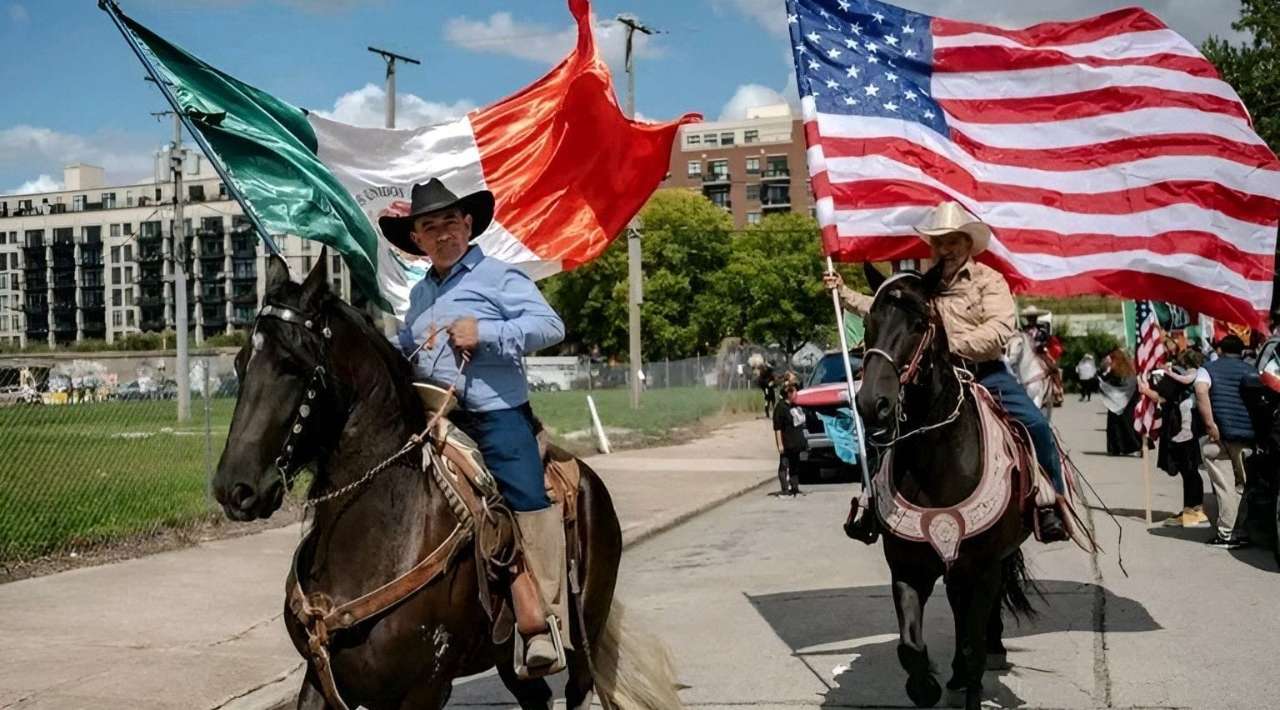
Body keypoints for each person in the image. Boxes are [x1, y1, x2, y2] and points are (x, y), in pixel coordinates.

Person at [383, 178, 568, 671]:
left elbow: (551, 326)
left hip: (496, 414)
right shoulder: (420, 293)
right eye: (429, 227)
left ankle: (545, 622)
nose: (441, 233)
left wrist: (485, 333)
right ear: (417, 240)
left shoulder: (499, 276)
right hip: (434, 416)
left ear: (467, 225)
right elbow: (408, 346)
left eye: (449, 222)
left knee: (526, 497)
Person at [824, 200, 1068, 542]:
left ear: (968, 244)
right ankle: (871, 502)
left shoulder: (989, 281)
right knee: (878, 423)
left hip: (985, 372)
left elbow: (999, 330)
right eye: (939, 241)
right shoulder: (925, 285)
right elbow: (889, 310)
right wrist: (842, 292)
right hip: (933, 378)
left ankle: (1049, 503)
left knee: (1036, 424)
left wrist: (946, 344)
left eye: (953, 240)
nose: (945, 248)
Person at [1194, 335, 1256, 549]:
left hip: (1218, 437)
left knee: (1224, 486)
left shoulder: (1207, 369)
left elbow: (1201, 390)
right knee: (1242, 486)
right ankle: (1241, 530)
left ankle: (1226, 534)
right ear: (1242, 351)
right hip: (1247, 437)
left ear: (1219, 349)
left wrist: (1210, 424)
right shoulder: (1251, 369)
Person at [1137, 350, 1207, 527]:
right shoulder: (1200, 375)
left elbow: (1162, 397)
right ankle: (1192, 509)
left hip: (1180, 430)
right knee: (1190, 471)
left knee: (1188, 470)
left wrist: (1145, 390)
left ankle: (1193, 511)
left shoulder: (1178, 377)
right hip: (1192, 428)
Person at [1099, 347, 1142, 456]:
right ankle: (1134, 446)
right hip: (1128, 400)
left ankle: (1117, 448)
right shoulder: (1129, 369)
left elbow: (1109, 382)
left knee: (1118, 426)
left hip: (1118, 401)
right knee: (1127, 425)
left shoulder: (1116, 370)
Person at [773, 383, 806, 496]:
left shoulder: (795, 406)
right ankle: (785, 488)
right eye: (795, 392)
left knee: (795, 466)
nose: (797, 394)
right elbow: (777, 428)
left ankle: (795, 487)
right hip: (786, 442)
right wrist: (780, 444)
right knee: (784, 465)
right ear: (789, 393)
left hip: (796, 443)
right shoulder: (781, 408)